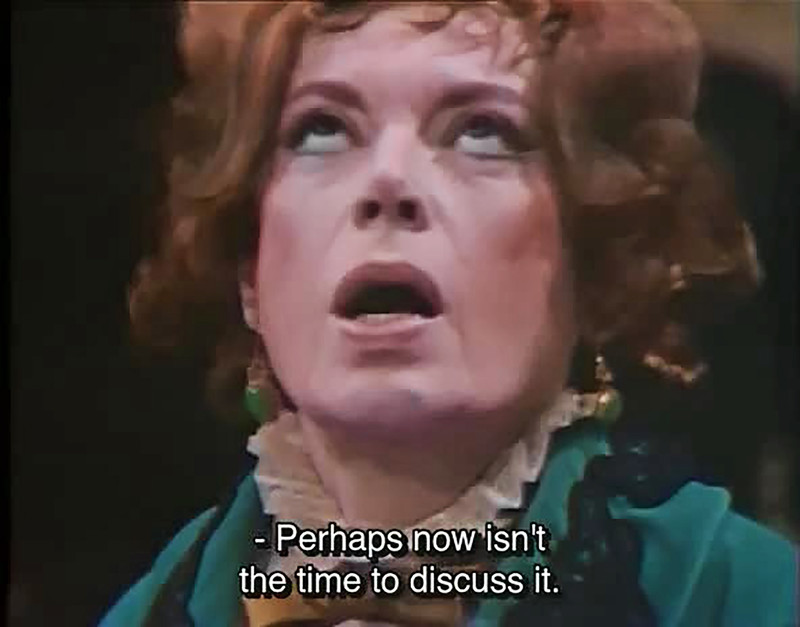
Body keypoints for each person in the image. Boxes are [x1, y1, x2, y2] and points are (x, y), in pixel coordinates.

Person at [100, 1, 796, 625]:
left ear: (595, 270)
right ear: (249, 272)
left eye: (482, 132)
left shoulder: (744, 597)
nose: (388, 180)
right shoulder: (157, 608)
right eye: (321, 130)